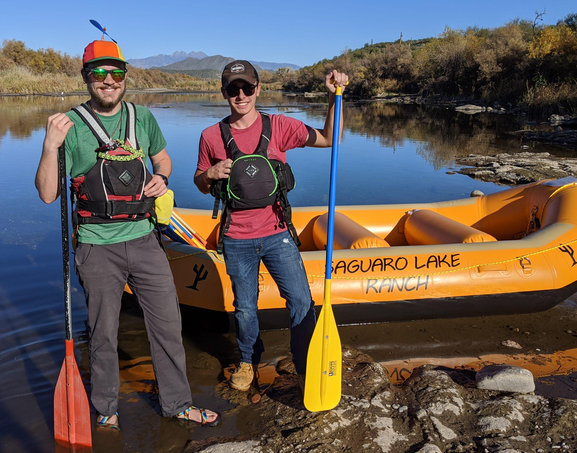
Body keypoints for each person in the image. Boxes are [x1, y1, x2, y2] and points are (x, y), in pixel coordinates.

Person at [35, 38, 218, 429]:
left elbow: (163, 158)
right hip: (97, 246)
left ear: (124, 77)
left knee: (168, 324)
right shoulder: (69, 126)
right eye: (99, 73)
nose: (109, 80)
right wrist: (50, 147)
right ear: (86, 77)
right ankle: (106, 410)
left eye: (116, 72)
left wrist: (162, 178)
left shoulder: (143, 118)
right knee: (103, 334)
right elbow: (49, 194)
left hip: (145, 240)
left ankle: (178, 403)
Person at [194, 60, 349, 391]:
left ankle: (305, 361)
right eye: (233, 89)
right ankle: (248, 362)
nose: (241, 95)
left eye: (247, 88)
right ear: (224, 93)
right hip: (235, 238)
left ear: (258, 89)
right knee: (246, 310)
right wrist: (209, 175)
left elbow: (328, 139)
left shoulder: (278, 125)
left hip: (278, 233)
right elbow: (199, 183)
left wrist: (336, 97)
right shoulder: (210, 136)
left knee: (301, 300)